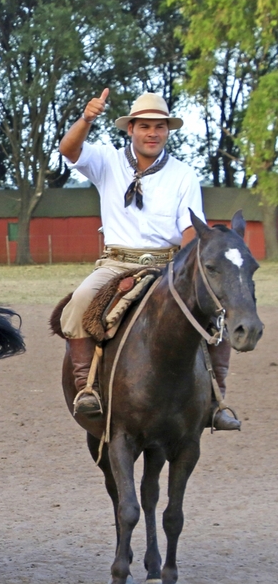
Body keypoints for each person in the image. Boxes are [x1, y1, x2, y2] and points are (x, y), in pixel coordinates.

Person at [57, 90, 237, 431]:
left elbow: (190, 229)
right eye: (144, 126)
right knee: (79, 302)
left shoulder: (183, 174)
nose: (152, 133)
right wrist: (86, 119)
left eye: (159, 127)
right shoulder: (106, 161)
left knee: (216, 313)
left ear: (168, 131)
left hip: (168, 265)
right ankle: (85, 388)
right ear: (131, 129)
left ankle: (217, 399)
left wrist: (180, 270)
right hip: (116, 263)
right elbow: (69, 149)